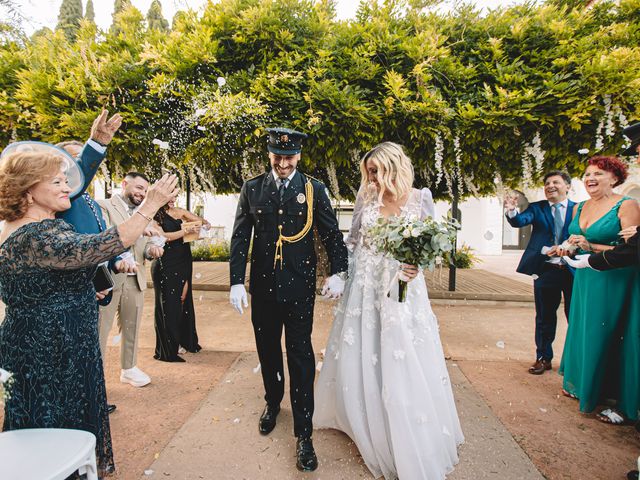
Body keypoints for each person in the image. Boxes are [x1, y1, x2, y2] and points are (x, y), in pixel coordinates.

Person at [0, 142, 178, 476]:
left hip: (63, 344)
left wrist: (84, 290)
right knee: (49, 433)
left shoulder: (46, 227)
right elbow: (100, 245)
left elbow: (62, 268)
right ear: (28, 190)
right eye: (56, 182)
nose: (67, 186)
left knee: (65, 428)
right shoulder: (34, 236)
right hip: (46, 354)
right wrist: (151, 204)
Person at [313, 142, 463, 479]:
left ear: (394, 166)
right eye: (368, 172)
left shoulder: (420, 198)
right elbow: (352, 241)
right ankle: (362, 416)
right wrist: (340, 274)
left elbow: (430, 247)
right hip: (365, 287)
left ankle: (401, 421)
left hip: (401, 288)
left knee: (399, 350)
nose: (372, 179)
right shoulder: (366, 197)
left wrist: (416, 267)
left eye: (376, 171)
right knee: (365, 348)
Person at [229, 127, 348, 472]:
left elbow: (331, 234)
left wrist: (338, 271)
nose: (283, 163)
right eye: (277, 156)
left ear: (299, 155)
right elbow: (240, 237)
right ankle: (271, 401)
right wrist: (236, 280)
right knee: (267, 349)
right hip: (263, 289)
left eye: (289, 157)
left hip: (298, 289)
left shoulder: (314, 189)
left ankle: (304, 433)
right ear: (269, 154)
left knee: (300, 356)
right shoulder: (252, 188)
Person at [558, 155, 640, 425]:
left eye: (598, 174)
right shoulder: (579, 207)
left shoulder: (626, 205)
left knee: (605, 332)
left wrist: (590, 248)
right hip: (584, 277)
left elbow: (632, 251)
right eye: (587, 174)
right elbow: (577, 239)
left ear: (615, 178)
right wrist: (568, 246)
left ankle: (610, 395)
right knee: (582, 328)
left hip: (613, 278)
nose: (590, 178)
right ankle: (583, 385)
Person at [504, 171, 576, 375]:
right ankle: (543, 358)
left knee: (576, 316)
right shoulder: (537, 208)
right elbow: (519, 221)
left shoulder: (578, 209)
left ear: (567, 187)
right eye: (547, 183)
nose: (550, 185)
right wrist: (511, 211)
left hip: (573, 270)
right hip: (546, 270)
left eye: (556, 182)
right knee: (544, 317)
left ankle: (574, 361)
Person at [97, 172, 163, 389]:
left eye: (145, 190)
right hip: (110, 279)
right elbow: (107, 236)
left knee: (131, 326)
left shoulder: (144, 213)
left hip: (136, 280)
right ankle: (95, 377)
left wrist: (152, 250)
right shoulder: (104, 206)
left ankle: (129, 368)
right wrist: (141, 231)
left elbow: (144, 247)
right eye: (138, 188)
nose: (142, 193)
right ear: (124, 184)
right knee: (100, 330)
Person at [151, 200, 208, 362]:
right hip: (166, 262)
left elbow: (200, 221)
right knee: (170, 304)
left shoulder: (179, 211)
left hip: (183, 258)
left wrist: (203, 224)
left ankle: (184, 340)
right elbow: (163, 236)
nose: (173, 199)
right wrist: (185, 231)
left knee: (183, 299)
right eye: (170, 195)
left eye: (175, 195)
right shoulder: (152, 214)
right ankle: (169, 347)